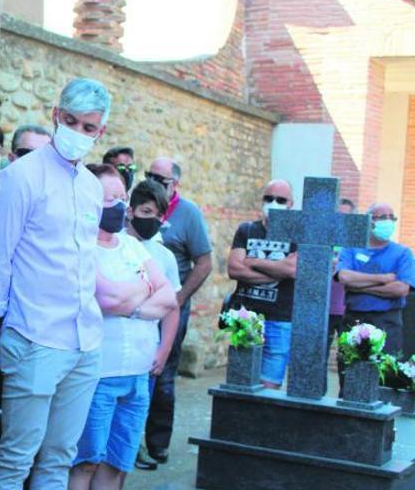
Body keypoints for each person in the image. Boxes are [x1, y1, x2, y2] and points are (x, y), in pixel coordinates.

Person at [0, 77, 111, 489]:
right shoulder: (21, 177)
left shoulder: (91, 187)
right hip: (34, 336)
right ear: (56, 115)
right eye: (71, 121)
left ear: (101, 131)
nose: (78, 132)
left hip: (85, 342)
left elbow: (84, 260)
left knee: (59, 459)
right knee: (16, 457)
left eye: (88, 127)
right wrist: (2, 332)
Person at [69, 169, 179, 490]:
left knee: (117, 464)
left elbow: (168, 297)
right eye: (110, 198)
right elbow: (108, 298)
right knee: (85, 462)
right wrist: (145, 289)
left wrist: (131, 306)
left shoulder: (132, 246)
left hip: (137, 375)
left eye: (122, 198)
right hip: (98, 373)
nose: (119, 206)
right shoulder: (81, 245)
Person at [140, 158, 212, 466]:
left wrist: (178, 299)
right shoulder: (138, 206)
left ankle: (158, 443)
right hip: (138, 307)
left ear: (175, 185)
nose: (154, 182)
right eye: (150, 175)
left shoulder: (188, 214)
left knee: (163, 374)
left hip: (171, 309)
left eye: (162, 179)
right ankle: (131, 442)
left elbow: (204, 263)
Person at [0, 123, 53, 401]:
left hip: (43, 340)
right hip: (5, 335)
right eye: (27, 154)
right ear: (11, 157)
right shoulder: (0, 193)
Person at [227, 180, 298, 389]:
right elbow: (234, 269)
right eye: (268, 198)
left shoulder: (297, 236)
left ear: (291, 204)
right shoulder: (247, 230)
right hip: (246, 316)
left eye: (281, 200)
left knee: (269, 386)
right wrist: (277, 272)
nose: (273, 203)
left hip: (280, 318)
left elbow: (292, 270)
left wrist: (253, 261)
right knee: (241, 381)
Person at [337, 203, 415, 358]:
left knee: (384, 368)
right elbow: (344, 277)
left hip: (387, 321)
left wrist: (359, 287)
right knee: (349, 367)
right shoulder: (351, 249)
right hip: (355, 318)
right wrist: (383, 279)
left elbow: (401, 289)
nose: (388, 221)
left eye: (392, 217)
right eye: (383, 217)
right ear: (370, 220)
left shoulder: (402, 253)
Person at [328, 198, 356, 381]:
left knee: (346, 359)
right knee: (316, 356)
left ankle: (344, 394)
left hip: (347, 309)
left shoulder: (356, 244)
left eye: (346, 216)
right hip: (323, 309)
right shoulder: (322, 241)